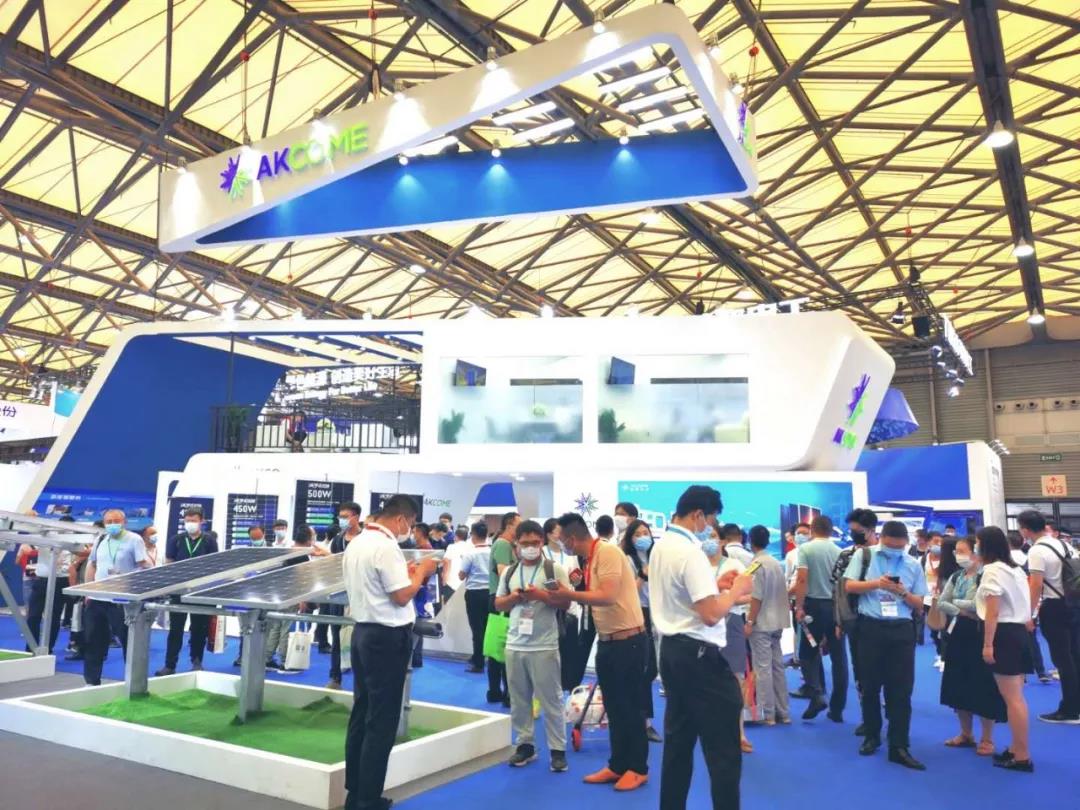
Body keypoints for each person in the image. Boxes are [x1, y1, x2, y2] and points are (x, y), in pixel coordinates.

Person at [649, 486, 753, 810]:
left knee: (678, 744)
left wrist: (716, 586)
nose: (711, 527)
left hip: (672, 652)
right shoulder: (691, 552)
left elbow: (685, 594)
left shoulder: (663, 545)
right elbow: (710, 615)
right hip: (700, 657)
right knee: (723, 751)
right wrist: (735, 591)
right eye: (711, 519)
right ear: (698, 515)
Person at [342, 494, 438, 810]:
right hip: (386, 638)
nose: (409, 530)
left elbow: (383, 586)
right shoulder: (385, 546)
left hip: (364, 634)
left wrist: (407, 575)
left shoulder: (357, 542)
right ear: (400, 519)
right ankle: (369, 799)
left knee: (362, 711)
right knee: (382, 720)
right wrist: (422, 572)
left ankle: (356, 792)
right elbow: (400, 597)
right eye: (410, 524)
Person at [555, 511, 649, 792]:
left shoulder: (606, 553)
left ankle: (638, 768)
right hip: (608, 641)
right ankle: (618, 764)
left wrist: (569, 594)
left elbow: (607, 596)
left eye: (561, 540)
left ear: (572, 539)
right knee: (616, 708)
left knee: (630, 707)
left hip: (628, 641)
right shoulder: (590, 558)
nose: (561, 545)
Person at [844, 520, 927, 769]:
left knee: (901, 690)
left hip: (901, 629)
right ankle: (871, 735)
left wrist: (902, 592)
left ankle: (899, 745)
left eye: (900, 547)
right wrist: (876, 584)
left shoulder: (913, 564)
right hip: (870, 627)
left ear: (906, 544)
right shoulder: (864, 556)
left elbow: (920, 604)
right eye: (891, 546)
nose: (895, 551)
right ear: (881, 539)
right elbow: (849, 585)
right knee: (869, 686)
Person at [494, 520, 572, 772]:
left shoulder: (553, 569)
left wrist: (540, 596)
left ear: (542, 542)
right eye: (525, 543)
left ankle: (558, 750)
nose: (530, 547)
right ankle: (525, 745)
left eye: (535, 543)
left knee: (552, 700)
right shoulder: (510, 572)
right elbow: (498, 604)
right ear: (516, 544)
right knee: (519, 700)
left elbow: (566, 603)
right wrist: (514, 597)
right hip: (515, 643)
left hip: (544, 645)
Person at [938, 535, 1005, 756]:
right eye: (956, 551)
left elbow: (979, 605)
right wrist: (961, 610)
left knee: (984, 684)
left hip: (982, 633)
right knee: (958, 682)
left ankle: (987, 738)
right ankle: (966, 733)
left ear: (975, 552)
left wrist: (957, 604)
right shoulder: (956, 576)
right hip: (958, 632)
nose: (957, 555)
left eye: (962, 551)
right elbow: (941, 602)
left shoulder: (987, 575)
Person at [976, 526, 1036, 771]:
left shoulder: (992, 571)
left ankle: (1021, 755)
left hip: (1003, 634)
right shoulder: (1016, 569)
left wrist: (987, 644)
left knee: (1013, 699)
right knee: (1016, 697)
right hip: (1019, 632)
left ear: (985, 545)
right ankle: (1016, 748)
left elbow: (993, 611)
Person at [1019, 509, 1080, 723]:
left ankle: (1070, 709)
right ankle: (1075, 705)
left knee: (1063, 659)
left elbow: (1035, 585)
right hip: (1073, 603)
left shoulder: (1037, 551)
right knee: (1074, 655)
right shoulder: (1063, 544)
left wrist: (1028, 613)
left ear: (1025, 529)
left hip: (1054, 606)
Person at [83, 509, 150, 685]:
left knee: (129, 642)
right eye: (109, 522)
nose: (112, 524)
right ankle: (91, 681)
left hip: (122, 600)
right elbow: (92, 565)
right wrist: (88, 591)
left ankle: (133, 683)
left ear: (124, 522)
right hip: (98, 599)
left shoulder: (134, 539)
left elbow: (145, 566)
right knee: (93, 641)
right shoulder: (100, 539)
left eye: (116, 521)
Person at [794, 515, 847, 722]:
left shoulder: (805, 549)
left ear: (812, 529)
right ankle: (837, 708)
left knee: (807, 652)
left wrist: (799, 606)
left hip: (814, 608)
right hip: (835, 607)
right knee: (839, 657)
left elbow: (802, 579)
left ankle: (816, 693)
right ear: (831, 530)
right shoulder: (840, 551)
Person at [705, 525, 752, 752]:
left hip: (731, 622)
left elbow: (750, 594)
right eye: (705, 537)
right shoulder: (697, 566)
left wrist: (729, 599)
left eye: (713, 536)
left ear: (722, 541)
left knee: (736, 678)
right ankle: (712, 730)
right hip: (703, 626)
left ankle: (739, 732)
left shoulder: (734, 565)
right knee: (705, 679)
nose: (709, 540)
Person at [156, 507, 219, 676]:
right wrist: (168, 587)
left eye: (194, 520)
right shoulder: (176, 540)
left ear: (202, 521)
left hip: (201, 592)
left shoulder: (209, 541)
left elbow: (215, 565)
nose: (190, 523)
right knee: (175, 630)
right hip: (179, 591)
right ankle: (170, 665)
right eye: (188, 520)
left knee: (199, 630)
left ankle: (196, 662)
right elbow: (169, 563)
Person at [620, 517, 662, 743]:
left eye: (646, 533)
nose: (643, 537)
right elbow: (628, 592)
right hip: (638, 613)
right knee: (645, 668)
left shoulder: (657, 557)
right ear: (630, 538)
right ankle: (643, 721)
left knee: (652, 669)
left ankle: (642, 719)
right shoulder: (627, 560)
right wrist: (643, 576)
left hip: (659, 612)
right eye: (637, 534)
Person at [745, 524, 791, 727]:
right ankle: (784, 712)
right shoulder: (775, 562)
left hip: (762, 623)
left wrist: (749, 621)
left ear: (751, 541)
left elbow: (756, 597)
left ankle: (768, 714)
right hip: (777, 622)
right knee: (777, 667)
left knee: (763, 668)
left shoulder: (755, 565)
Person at [836, 508, 877, 712]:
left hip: (882, 619)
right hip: (854, 619)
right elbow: (838, 590)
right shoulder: (846, 555)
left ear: (871, 530)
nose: (854, 535)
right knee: (860, 667)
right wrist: (839, 621)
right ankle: (867, 712)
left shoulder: (884, 555)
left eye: (858, 531)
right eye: (851, 531)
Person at [326, 502, 364, 689]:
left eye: (345, 516)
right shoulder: (338, 540)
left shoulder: (366, 540)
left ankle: (361, 680)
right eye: (340, 517)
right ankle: (335, 677)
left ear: (356, 517)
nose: (342, 520)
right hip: (338, 594)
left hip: (360, 596)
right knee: (336, 635)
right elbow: (333, 567)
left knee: (360, 638)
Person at [486, 512, 521, 704]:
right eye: (518, 524)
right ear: (509, 525)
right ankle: (503, 692)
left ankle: (498, 691)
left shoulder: (509, 545)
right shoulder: (502, 545)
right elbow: (503, 573)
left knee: (501, 646)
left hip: (503, 599)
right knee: (502, 646)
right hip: (501, 600)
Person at [1008, 531, 1051, 682]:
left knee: (1012, 641)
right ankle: (1041, 672)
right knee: (1032, 639)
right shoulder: (1029, 559)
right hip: (1030, 603)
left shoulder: (1004, 562)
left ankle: (1021, 673)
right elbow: (1037, 586)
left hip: (1011, 606)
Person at [459, 522, 493, 677]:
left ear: (473, 535)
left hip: (474, 594)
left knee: (477, 629)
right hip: (490, 593)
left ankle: (478, 662)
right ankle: (487, 659)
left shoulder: (470, 553)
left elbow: (461, 575)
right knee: (489, 628)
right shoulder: (492, 551)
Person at [923, 532, 945, 666]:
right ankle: (939, 653)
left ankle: (945, 657)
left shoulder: (946, 558)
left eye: (941, 542)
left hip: (943, 598)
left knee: (944, 628)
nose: (939, 544)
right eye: (936, 541)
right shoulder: (924, 559)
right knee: (933, 628)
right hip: (928, 598)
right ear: (928, 543)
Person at [440, 524, 470, 600]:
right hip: (465, 583)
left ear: (456, 536)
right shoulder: (471, 548)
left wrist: (444, 578)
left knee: (449, 604)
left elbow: (446, 562)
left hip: (451, 581)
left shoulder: (452, 547)